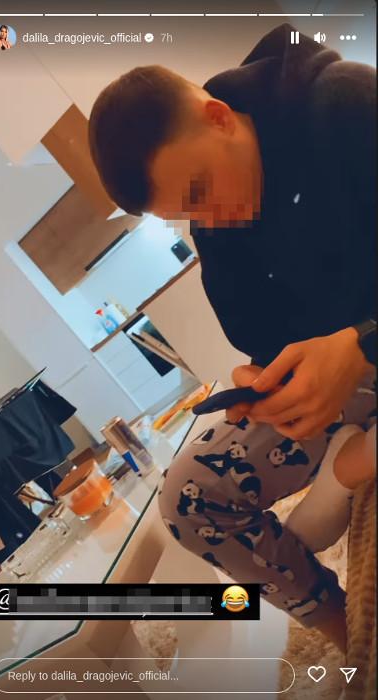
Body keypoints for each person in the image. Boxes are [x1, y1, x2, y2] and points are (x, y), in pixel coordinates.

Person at [88, 24, 376, 652]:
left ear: (219, 118)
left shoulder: (344, 103)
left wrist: (361, 345)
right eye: (189, 213)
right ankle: (350, 638)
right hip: (343, 394)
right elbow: (264, 344)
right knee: (187, 497)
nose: (210, 219)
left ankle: (354, 457)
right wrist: (265, 384)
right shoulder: (217, 228)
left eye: (201, 191)